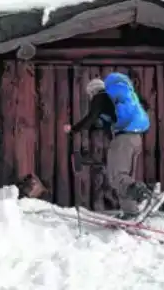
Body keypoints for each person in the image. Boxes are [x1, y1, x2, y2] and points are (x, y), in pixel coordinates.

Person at [64, 73, 155, 218]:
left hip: (123, 140)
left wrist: (74, 129)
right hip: (135, 138)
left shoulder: (100, 97)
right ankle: (130, 212)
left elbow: (91, 117)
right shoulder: (116, 102)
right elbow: (100, 122)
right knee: (124, 179)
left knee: (116, 177)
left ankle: (143, 194)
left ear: (93, 91)